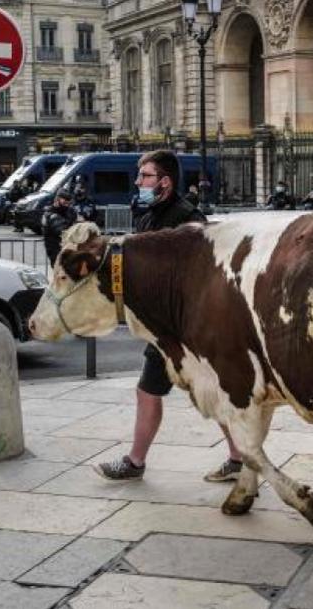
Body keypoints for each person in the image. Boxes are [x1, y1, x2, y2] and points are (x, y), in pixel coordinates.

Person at [96, 149, 245, 482]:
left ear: (165, 181)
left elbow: (202, 277)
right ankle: (138, 461)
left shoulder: (189, 219)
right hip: (162, 329)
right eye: (140, 176)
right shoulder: (148, 217)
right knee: (152, 391)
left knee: (211, 395)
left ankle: (237, 458)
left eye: (145, 176)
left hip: (185, 331)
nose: (138, 182)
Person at [41, 190, 78, 267]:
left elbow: (79, 221)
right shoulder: (50, 214)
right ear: (57, 200)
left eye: (68, 203)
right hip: (56, 250)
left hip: (68, 249)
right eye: (65, 202)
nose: (67, 205)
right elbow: (62, 230)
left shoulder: (68, 211)